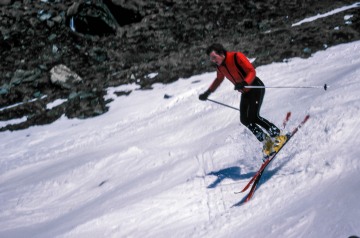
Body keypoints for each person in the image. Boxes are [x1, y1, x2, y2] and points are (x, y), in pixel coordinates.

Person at [199, 43, 287, 157]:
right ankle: (267, 141)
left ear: (221, 53)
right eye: (211, 59)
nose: (213, 60)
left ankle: (279, 135)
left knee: (254, 116)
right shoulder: (220, 67)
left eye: (214, 57)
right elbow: (218, 80)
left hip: (255, 86)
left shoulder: (236, 56)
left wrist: (244, 83)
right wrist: (207, 93)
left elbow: (251, 71)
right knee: (245, 119)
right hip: (245, 92)